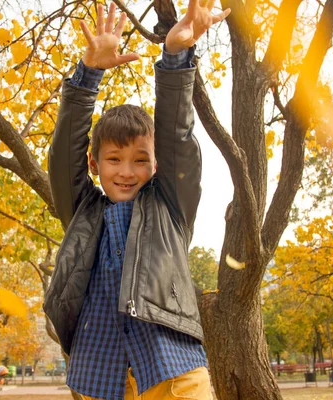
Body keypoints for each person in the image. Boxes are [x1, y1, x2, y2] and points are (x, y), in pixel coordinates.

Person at [43, 1, 230, 399]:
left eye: (140, 160)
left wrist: (176, 57)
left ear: (157, 164)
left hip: (172, 369)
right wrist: (87, 75)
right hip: (99, 375)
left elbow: (177, 136)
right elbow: (63, 160)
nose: (127, 171)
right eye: (114, 159)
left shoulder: (169, 207)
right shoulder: (84, 213)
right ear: (95, 164)